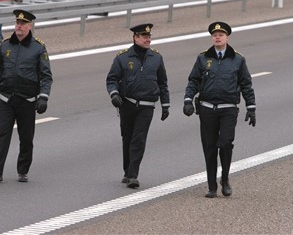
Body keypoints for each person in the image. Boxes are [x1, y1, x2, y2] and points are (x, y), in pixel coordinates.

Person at [183, 21, 256, 198]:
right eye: (215, 35)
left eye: (221, 34)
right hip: (207, 108)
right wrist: (188, 100)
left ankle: (225, 179)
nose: (217, 37)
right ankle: (211, 186)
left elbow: (246, 84)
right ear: (212, 37)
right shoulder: (202, 58)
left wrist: (251, 107)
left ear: (227, 37)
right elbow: (193, 81)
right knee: (209, 147)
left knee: (225, 143)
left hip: (228, 108)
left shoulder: (238, 59)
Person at [0, 9, 53, 183]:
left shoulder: (38, 47)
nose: (19, 26)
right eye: (17, 23)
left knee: (26, 138)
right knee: (1, 134)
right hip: (6, 98)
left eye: (22, 24)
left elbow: (46, 75)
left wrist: (43, 97)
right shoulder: (5, 44)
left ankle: (23, 170)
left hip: (27, 100)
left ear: (29, 26)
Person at [106, 23, 170, 189]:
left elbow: (163, 82)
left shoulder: (156, 58)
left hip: (147, 106)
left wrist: (166, 104)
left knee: (138, 140)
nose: (147, 39)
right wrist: (114, 95)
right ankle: (127, 171)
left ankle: (134, 175)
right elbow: (112, 79)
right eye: (143, 36)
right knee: (127, 139)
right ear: (135, 38)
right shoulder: (122, 57)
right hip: (127, 104)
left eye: (149, 36)